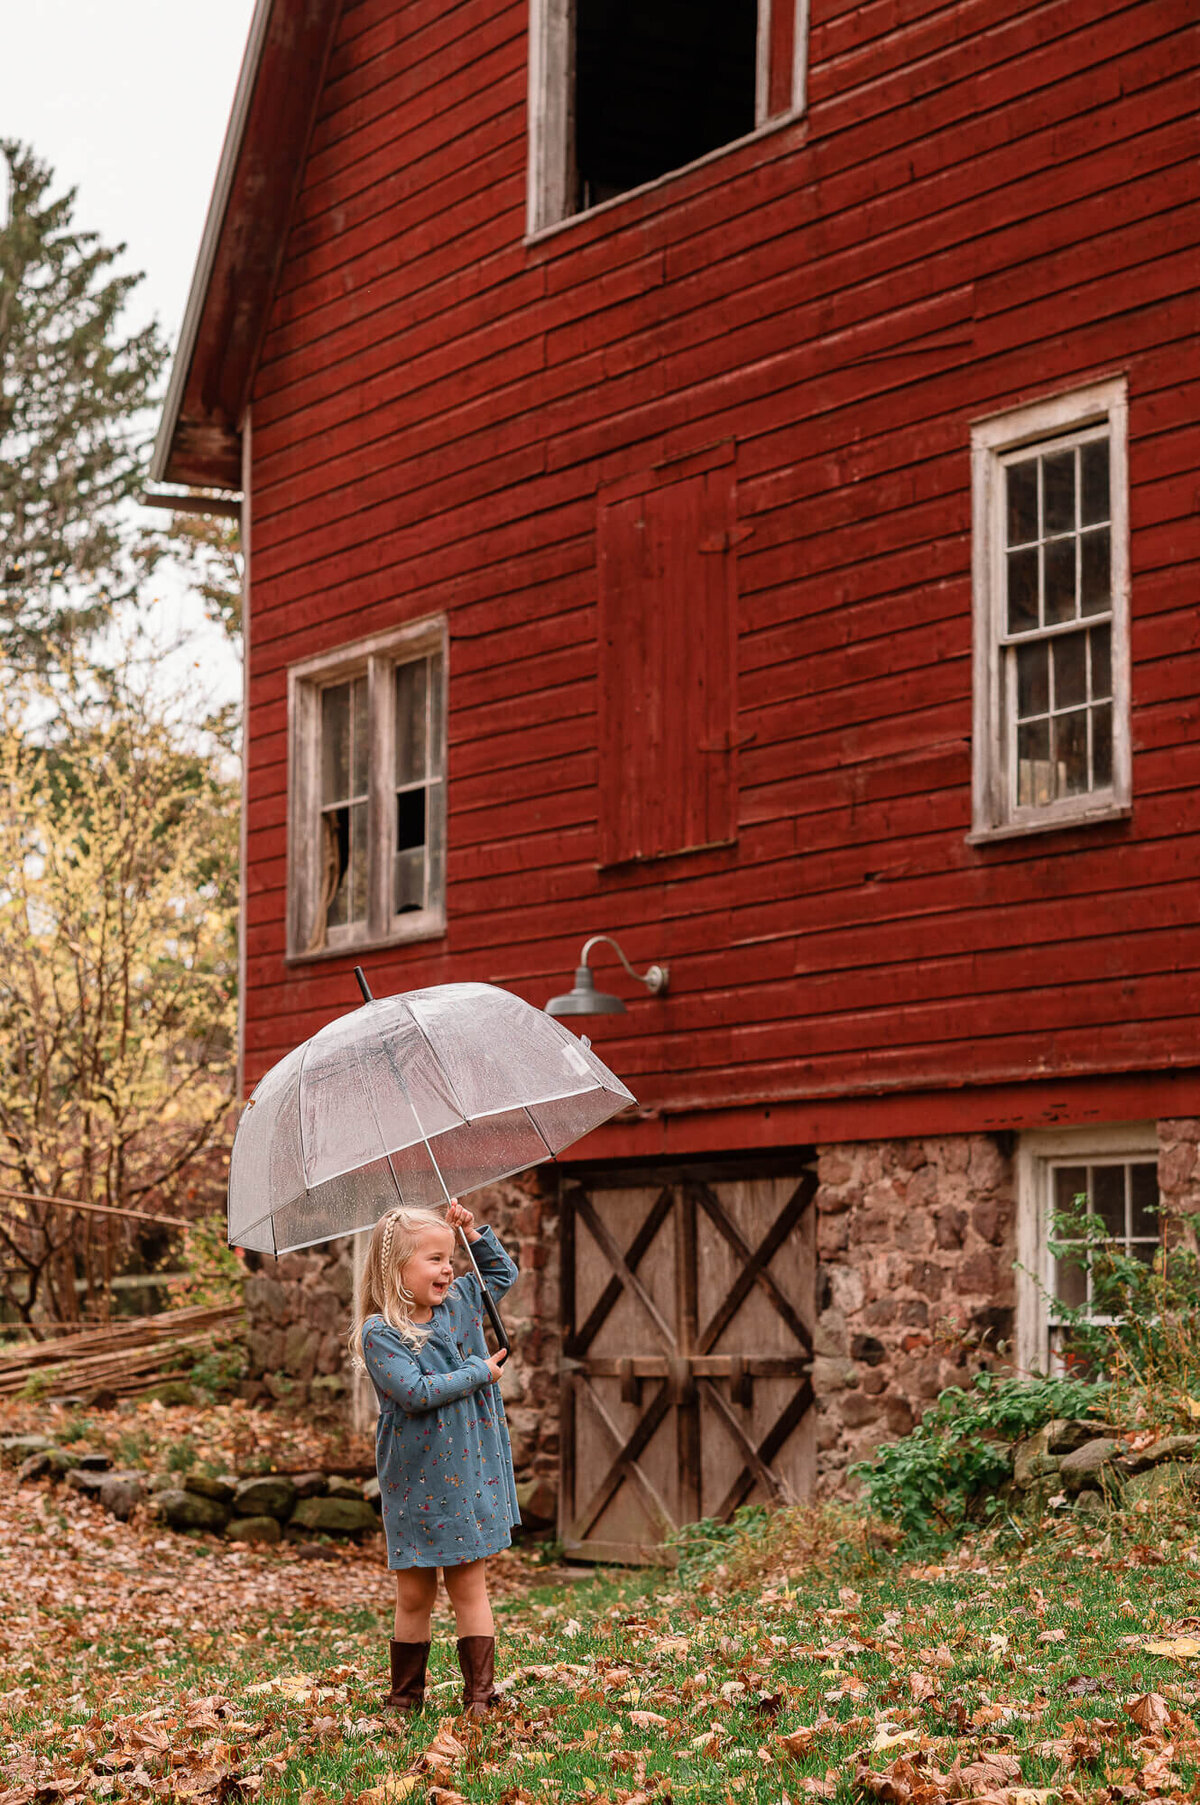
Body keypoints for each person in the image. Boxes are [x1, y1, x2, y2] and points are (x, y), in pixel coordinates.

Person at [347, 1198, 521, 1717]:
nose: (448, 1268)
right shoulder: (381, 1333)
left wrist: (472, 1234)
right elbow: (416, 1392)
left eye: (450, 1258)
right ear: (395, 1270)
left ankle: (481, 1697)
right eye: (434, 1259)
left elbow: (502, 1272)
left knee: (469, 1582)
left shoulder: (463, 1301)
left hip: (469, 1466)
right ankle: (405, 1700)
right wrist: (478, 1372)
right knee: (416, 1591)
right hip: (417, 1478)